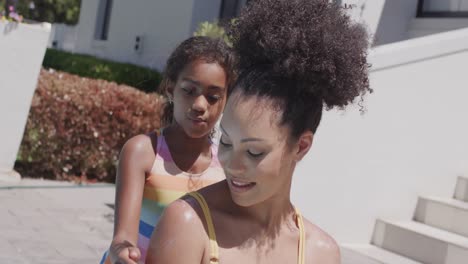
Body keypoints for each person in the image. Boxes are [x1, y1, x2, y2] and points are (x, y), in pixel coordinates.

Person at [146, 0, 371, 263]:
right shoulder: (189, 223)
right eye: (226, 143)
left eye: (254, 152)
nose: (232, 164)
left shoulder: (320, 253)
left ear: (301, 147)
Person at [100, 36, 237, 264]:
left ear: (226, 101)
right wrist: (123, 252)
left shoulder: (227, 164)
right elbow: (123, 238)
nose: (200, 105)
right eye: (189, 90)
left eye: (213, 97)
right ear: (171, 89)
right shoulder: (143, 152)